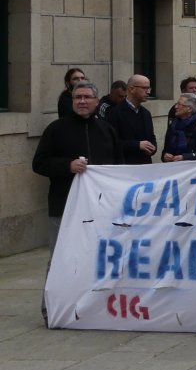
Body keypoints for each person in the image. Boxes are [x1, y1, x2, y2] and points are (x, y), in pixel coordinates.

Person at [32, 82, 122, 256]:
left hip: (100, 207)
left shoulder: (107, 131)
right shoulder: (56, 129)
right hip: (64, 205)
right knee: (61, 257)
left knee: (95, 256)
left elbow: (120, 167)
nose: (82, 101)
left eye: (87, 97)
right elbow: (39, 163)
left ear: (96, 101)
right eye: (77, 97)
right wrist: (67, 165)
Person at [106, 74, 156, 164]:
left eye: (149, 88)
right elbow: (110, 143)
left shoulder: (146, 113)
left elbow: (151, 137)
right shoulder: (114, 113)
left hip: (145, 166)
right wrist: (137, 145)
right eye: (144, 88)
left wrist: (153, 148)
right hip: (125, 166)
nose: (148, 92)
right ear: (131, 89)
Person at [162, 92, 196, 161]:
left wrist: (185, 157)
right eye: (176, 104)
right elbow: (165, 150)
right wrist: (165, 156)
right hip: (173, 166)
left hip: (191, 167)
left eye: (179, 104)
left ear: (189, 109)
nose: (175, 107)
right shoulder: (173, 126)